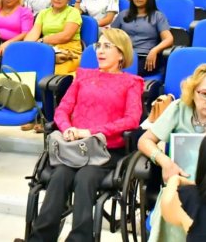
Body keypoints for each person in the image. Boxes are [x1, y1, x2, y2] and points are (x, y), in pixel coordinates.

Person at [26, 29, 143, 242]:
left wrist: (91, 132)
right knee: (59, 176)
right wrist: (66, 127)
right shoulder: (83, 76)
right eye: (99, 45)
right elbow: (62, 109)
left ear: (121, 54)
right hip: (73, 148)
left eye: (108, 46)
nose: (100, 50)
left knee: (85, 178)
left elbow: (132, 120)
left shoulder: (131, 82)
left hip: (105, 151)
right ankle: (39, 239)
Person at [137, 64, 206, 242]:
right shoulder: (179, 109)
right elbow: (144, 140)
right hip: (180, 190)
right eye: (204, 93)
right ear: (193, 90)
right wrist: (165, 162)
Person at [111, 0, 173, 78]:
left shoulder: (158, 16)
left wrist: (154, 50)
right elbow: (110, 35)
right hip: (125, 56)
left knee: (124, 72)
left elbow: (169, 39)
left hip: (146, 58)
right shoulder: (123, 14)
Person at [24, 0, 83, 75]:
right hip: (48, 49)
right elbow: (34, 33)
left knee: (53, 72)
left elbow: (66, 36)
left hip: (69, 51)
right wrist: (26, 47)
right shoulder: (43, 13)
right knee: (27, 65)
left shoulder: (73, 12)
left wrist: (42, 40)